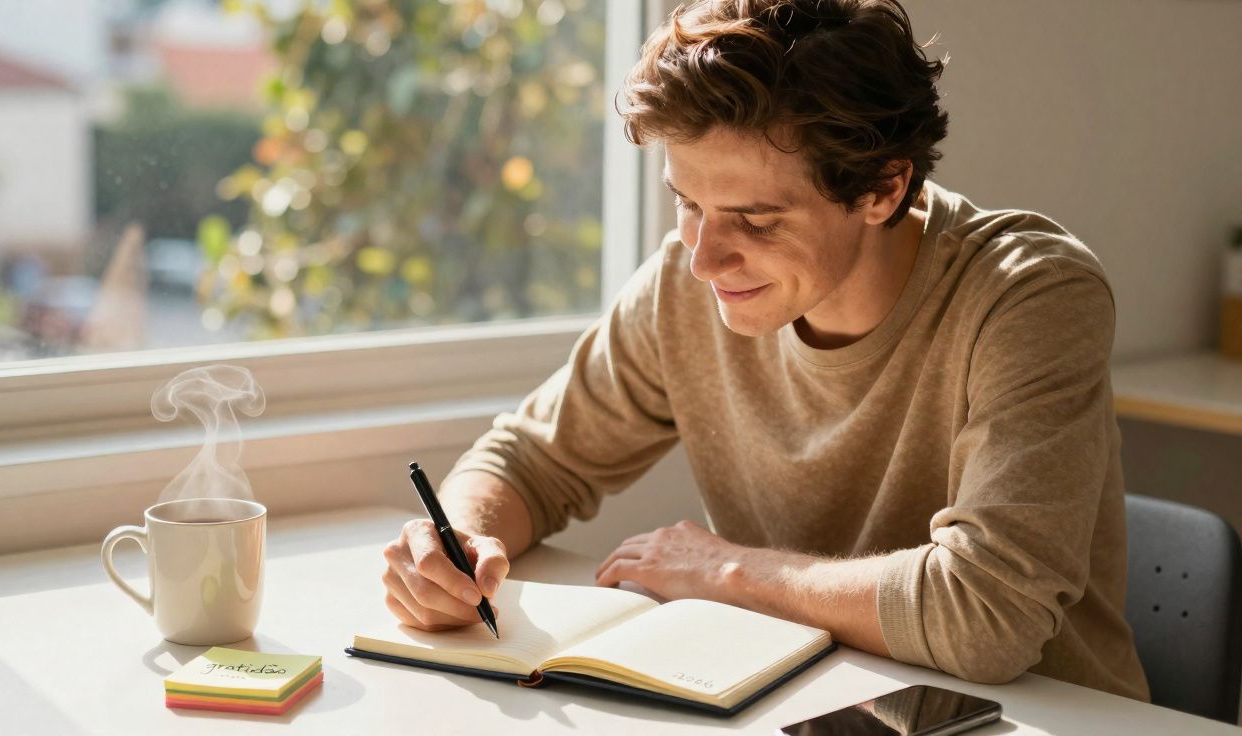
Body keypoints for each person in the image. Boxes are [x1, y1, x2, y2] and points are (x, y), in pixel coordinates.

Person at [381, 0, 1149, 700]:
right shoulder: (688, 291)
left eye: (755, 221)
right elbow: (531, 460)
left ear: (884, 189)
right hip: (802, 701)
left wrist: (726, 572)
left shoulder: (1030, 294)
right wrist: (456, 543)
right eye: (689, 204)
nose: (704, 260)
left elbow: (988, 614)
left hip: (1032, 717)